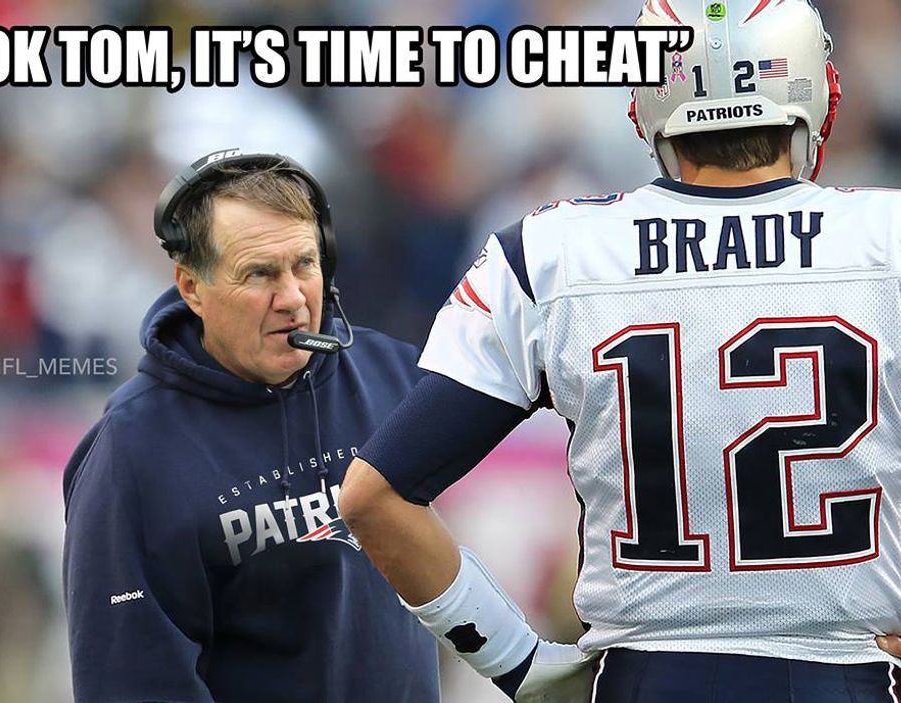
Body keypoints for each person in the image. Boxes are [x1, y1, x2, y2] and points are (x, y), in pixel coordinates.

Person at [339, 1, 901, 701]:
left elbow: (375, 495)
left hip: (646, 678)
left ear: (647, 104)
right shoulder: (886, 239)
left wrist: (518, 662)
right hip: (849, 677)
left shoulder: (551, 254)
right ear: (814, 90)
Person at [62, 150, 439, 702]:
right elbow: (129, 684)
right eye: (259, 273)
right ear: (192, 288)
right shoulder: (131, 452)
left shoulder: (394, 376)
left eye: (304, 264)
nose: (292, 298)